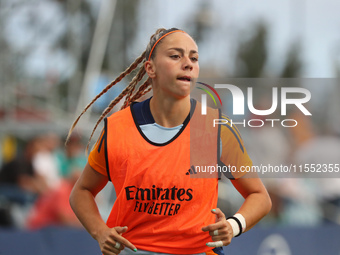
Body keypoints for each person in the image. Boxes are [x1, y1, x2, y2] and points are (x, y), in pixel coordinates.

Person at [68, 28, 271, 255]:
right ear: (150, 68)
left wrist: (233, 226)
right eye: (176, 56)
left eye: (194, 58)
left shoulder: (212, 128)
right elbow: (81, 191)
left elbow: (260, 196)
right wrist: (100, 232)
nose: (188, 63)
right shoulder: (118, 128)